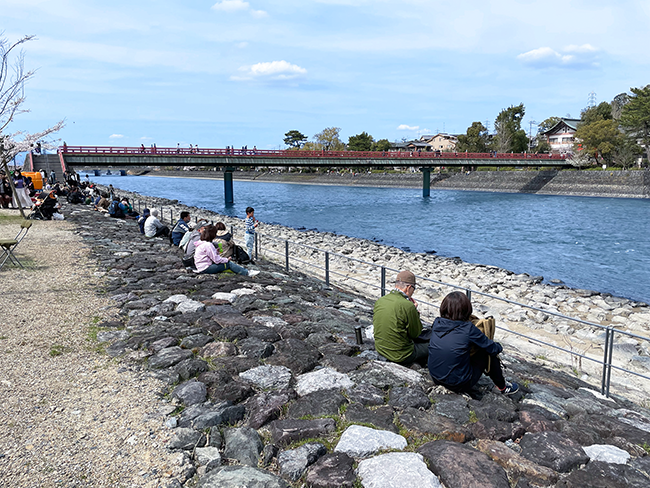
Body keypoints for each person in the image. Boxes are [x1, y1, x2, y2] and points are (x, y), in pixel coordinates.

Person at [427, 291, 519, 395]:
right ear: (467, 310)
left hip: (435, 377)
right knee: (486, 352)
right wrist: (499, 346)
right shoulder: (468, 329)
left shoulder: (437, 323)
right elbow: (491, 348)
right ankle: (503, 387)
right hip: (458, 383)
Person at [373, 270, 428, 367]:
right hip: (400, 355)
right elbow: (415, 333)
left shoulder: (381, 301)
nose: (413, 292)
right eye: (413, 289)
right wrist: (415, 312)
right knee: (433, 346)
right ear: (409, 287)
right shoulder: (408, 306)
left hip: (381, 348)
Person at [194, 224, 259, 277]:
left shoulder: (202, 243)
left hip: (200, 266)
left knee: (225, 263)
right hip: (205, 268)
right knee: (228, 264)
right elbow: (217, 260)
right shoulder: (208, 245)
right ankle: (247, 273)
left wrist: (216, 251)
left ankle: (245, 272)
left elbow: (210, 256)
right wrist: (227, 259)